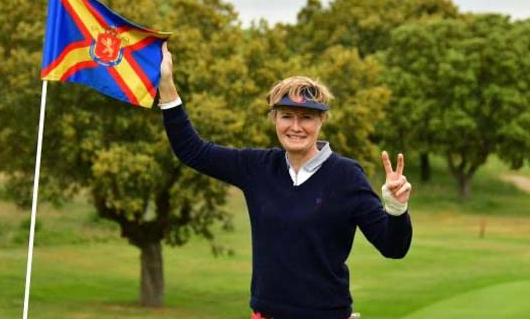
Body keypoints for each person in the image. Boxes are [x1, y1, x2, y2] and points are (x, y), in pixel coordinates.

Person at [158, 43, 412, 319]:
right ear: (274, 119)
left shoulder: (347, 176)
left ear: (321, 121)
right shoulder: (257, 167)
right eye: (286, 116)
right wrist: (167, 88)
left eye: (306, 118)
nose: (295, 127)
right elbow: (192, 150)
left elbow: (393, 248)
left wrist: (396, 210)